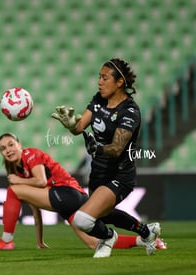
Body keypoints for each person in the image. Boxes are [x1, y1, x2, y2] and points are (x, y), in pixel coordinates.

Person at [0, 133, 167, 252]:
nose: (8, 150)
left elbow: (41, 181)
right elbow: (35, 206)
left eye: (10, 144)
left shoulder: (30, 154)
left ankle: (6, 240)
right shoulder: (19, 171)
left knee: (13, 190)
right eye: (3, 148)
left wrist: (17, 181)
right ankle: (146, 239)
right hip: (68, 201)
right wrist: (39, 240)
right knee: (95, 242)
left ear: (19, 144)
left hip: (65, 192)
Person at [52, 58, 161, 258]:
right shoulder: (98, 100)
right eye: (99, 77)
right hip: (99, 172)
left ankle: (108, 237)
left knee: (82, 220)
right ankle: (147, 232)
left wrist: (97, 148)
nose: (99, 82)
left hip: (120, 175)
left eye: (105, 77)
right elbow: (79, 128)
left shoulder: (130, 111)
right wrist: (70, 124)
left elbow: (118, 148)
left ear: (120, 82)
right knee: (103, 214)